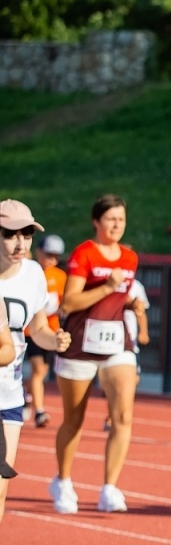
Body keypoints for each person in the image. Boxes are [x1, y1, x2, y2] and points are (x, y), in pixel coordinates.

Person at [51, 194, 143, 514]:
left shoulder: (130, 257)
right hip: (80, 344)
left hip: (117, 342)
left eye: (121, 219)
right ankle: (62, 480)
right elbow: (69, 303)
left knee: (123, 417)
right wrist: (106, 286)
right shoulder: (84, 254)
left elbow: (120, 298)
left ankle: (110, 487)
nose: (116, 225)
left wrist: (132, 303)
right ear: (96, 222)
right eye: (110, 219)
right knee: (74, 419)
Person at [1, 201, 71, 522]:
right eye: (10, 235)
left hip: (10, 394)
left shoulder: (33, 274)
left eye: (26, 234)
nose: (20, 243)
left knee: (1, 485)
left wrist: (54, 340)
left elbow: (39, 328)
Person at [24, 233, 66, 429]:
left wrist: (62, 308)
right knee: (38, 369)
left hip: (50, 331)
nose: (52, 259)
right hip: (29, 331)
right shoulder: (28, 273)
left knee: (41, 371)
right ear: (38, 252)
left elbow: (66, 300)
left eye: (56, 256)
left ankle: (27, 394)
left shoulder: (59, 276)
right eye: (48, 254)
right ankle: (39, 411)